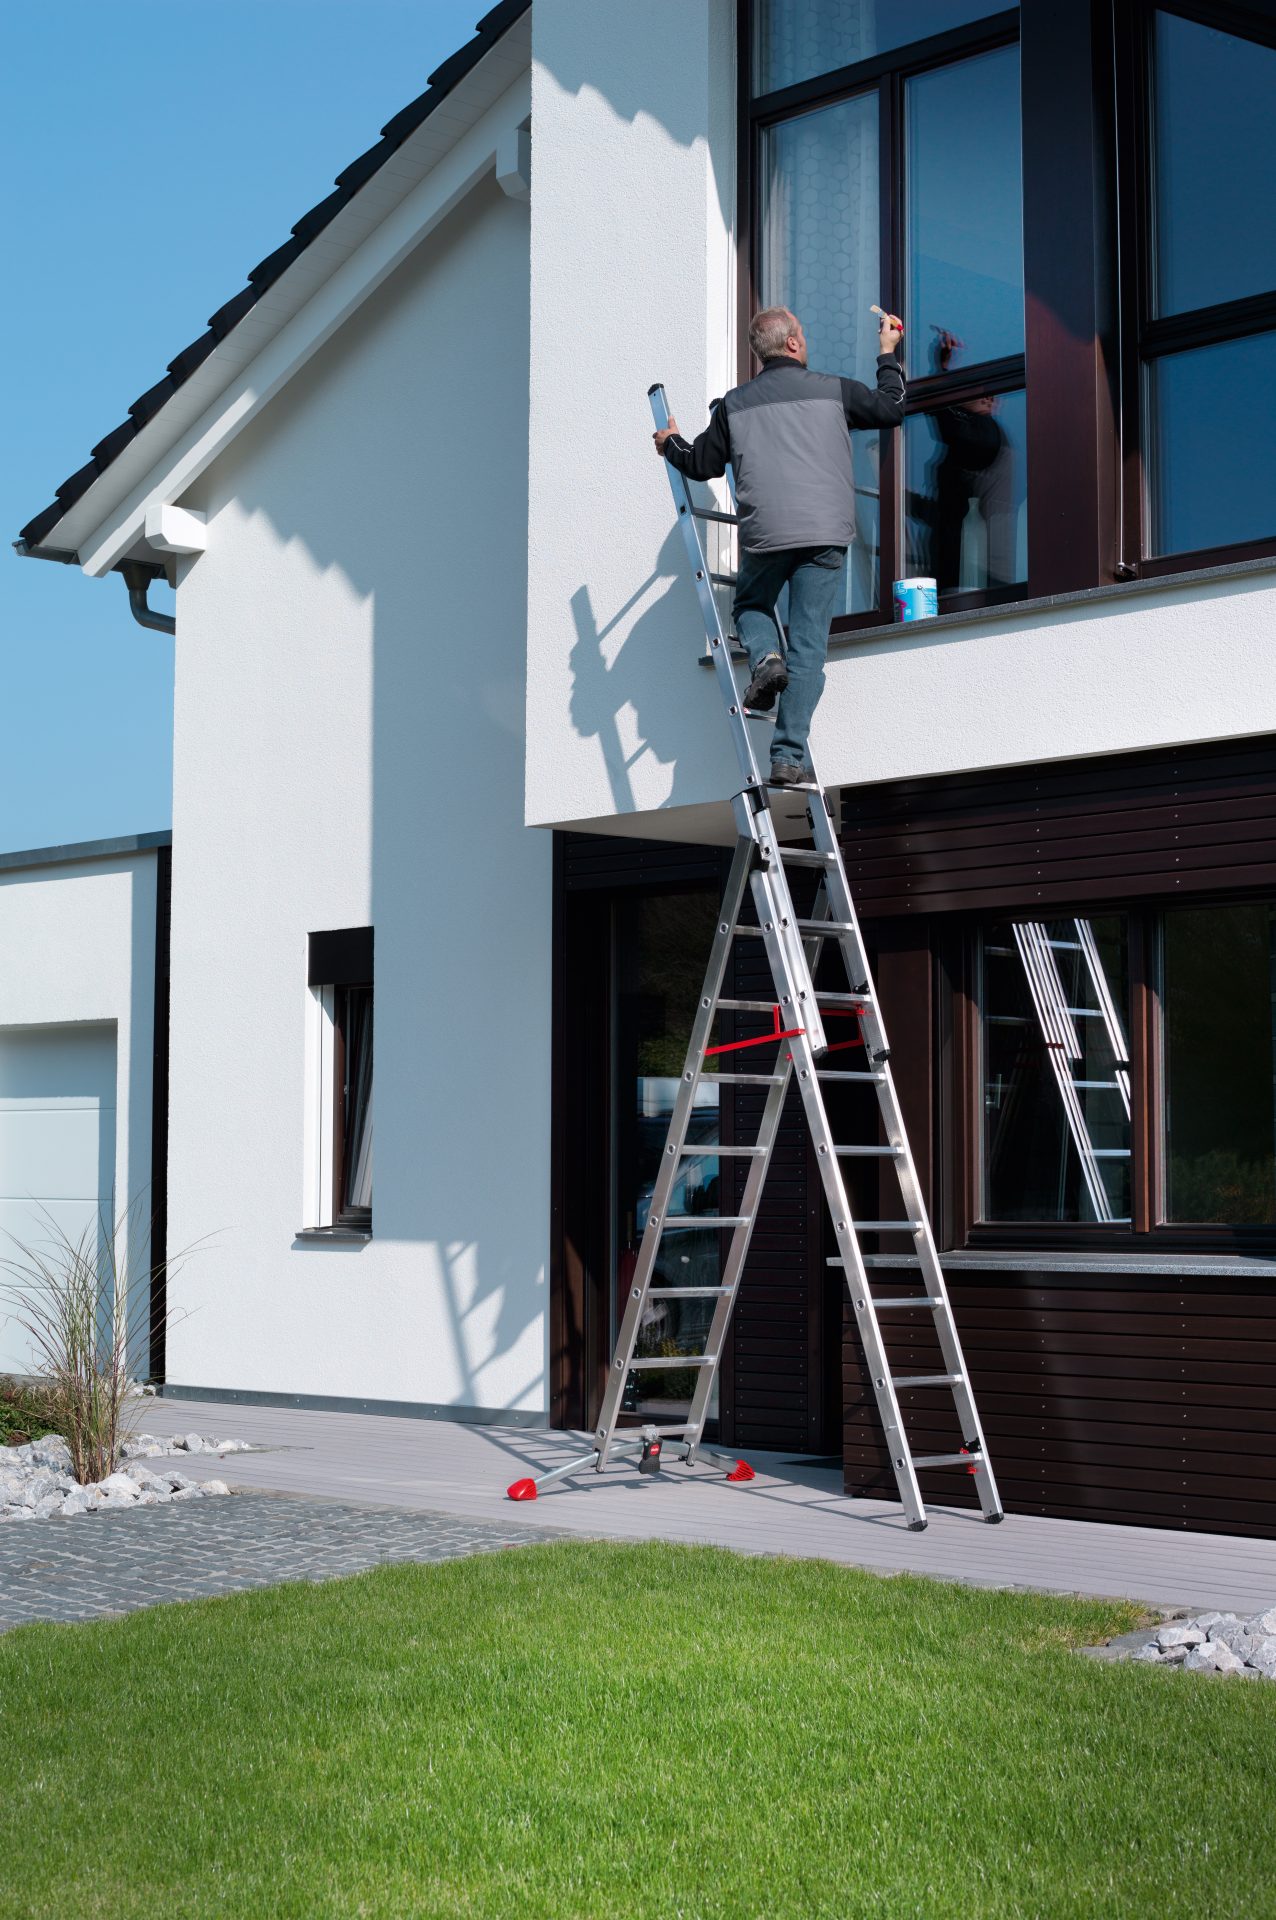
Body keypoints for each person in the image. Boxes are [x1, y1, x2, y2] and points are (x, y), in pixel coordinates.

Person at [653, 305, 904, 786]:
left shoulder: (734, 404)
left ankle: (766, 658)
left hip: (767, 533)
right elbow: (891, 407)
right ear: (792, 344)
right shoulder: (833, 391)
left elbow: (700, 463)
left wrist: (670, 442)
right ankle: (788, 757)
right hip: (825, 534)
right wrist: (887, 351)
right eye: (803, 335)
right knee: (809, 647)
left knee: (750, 603)